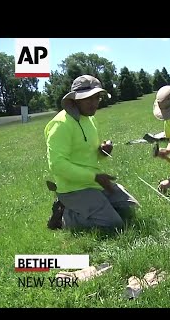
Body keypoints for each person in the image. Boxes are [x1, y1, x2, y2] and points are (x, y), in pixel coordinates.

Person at [44, 74, 139, 232]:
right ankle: (65, 216)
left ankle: (91, 208)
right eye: (88, 98)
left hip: (94, 184)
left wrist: (103, 151)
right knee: (114, 224)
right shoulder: (61, 124)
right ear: (75, 99)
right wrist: (94, 177)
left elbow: (90, 154)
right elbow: (57, 165)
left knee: (128, 209)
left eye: (97, 98)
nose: (94, 103)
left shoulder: (90, 119)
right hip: (73, 189)